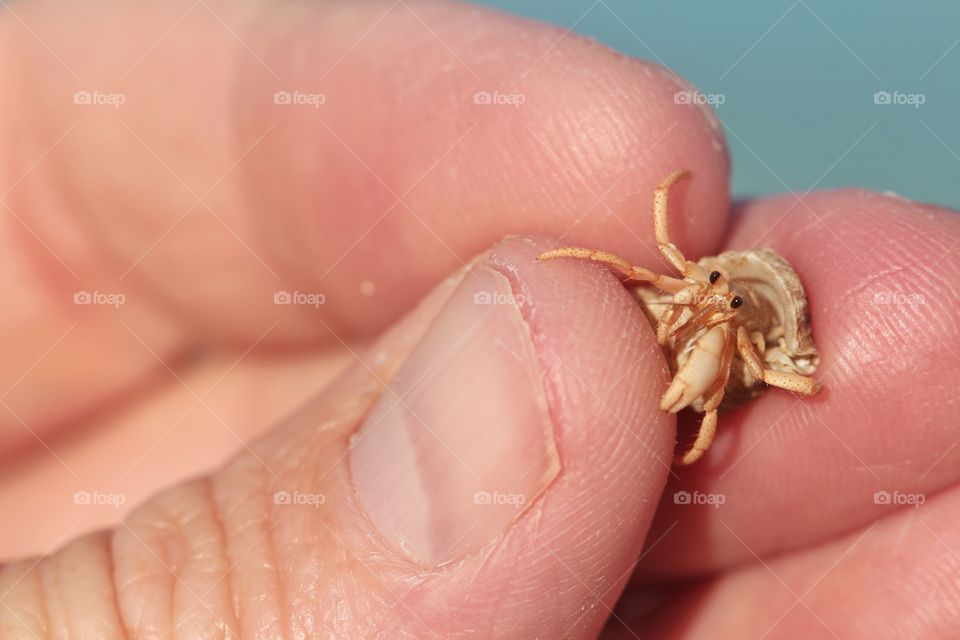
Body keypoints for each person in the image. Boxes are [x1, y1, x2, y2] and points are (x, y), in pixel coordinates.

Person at [1, 1, 958, 637]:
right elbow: (655, 250)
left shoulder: (732, 326)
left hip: (749, 319)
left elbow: (741, 380)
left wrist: (715, 361)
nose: (688, 298)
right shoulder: (684, 282)